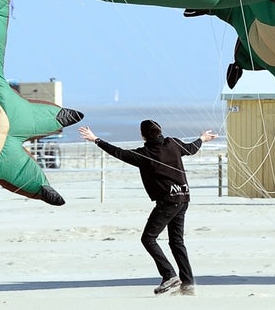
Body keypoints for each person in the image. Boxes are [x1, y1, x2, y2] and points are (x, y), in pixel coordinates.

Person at [79, 120, 217, 296]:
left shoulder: (144, 154)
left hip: (168, 201)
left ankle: (169, 275)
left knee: (148, 238)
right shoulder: (173, 143)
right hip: (183, 198)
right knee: (176, 242)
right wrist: (202, 139)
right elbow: (191, 149)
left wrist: (96, 140)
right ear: (160, 132)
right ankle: (188, 285)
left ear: (143, 136)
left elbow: (118, 153)